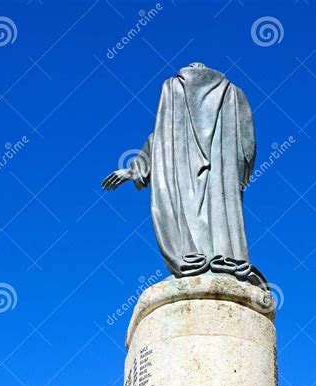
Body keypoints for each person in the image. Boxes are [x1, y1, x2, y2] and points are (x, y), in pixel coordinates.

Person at [102, 63, 266, 287]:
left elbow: (162, 137)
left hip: (183, 175)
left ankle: (197, 258)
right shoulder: (233, 93)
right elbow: (248, 145)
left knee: (188, 218)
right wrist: (240, 171)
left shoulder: (173, 87)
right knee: (219, 213)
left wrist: (135, 169)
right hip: (219, 171)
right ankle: (225, 256)